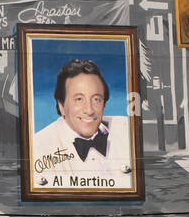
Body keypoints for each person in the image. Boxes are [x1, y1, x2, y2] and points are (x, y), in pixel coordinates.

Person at [30, 58, 134, 189]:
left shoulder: (128, 131)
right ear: (61, 106)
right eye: (79, 99)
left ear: (104, 104)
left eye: (96, 99)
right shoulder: (38, 147)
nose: (89, 110)